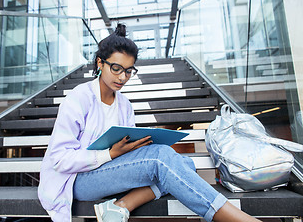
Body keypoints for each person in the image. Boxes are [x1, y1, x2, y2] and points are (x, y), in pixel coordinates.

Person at [38, 24, 260, 222]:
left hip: (107, 171)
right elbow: (59, 160)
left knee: (185, 166)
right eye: (116, 68)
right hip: (75, 180)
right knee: (163, 160)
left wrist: (136, 147)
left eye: (128, 71)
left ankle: (120, 207)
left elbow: (125, 149)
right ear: (100, 63)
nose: (122, 77)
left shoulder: (124, 105)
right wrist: (110, 154)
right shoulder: (79, 98)